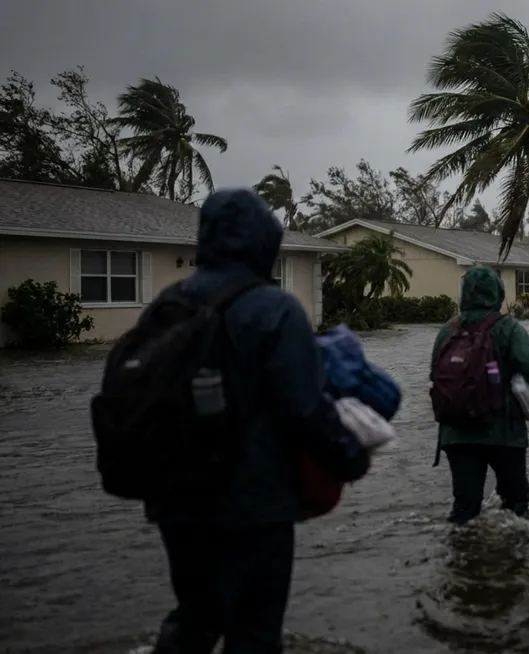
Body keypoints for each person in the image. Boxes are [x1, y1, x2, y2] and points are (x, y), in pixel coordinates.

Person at [149, 189, 371, 654]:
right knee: (254, 630)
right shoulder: (275, 309)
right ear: (265, 242)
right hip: (253, 502)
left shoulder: (166, 305)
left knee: (196, 617)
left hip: (176, 499)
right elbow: (305, 408)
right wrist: (352, 456)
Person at [431, 266, 529, 525]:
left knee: (464, 509)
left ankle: (461, 548)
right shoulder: (507, 328)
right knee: (516, 505)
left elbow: (435, 376)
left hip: (456, 433)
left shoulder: (447, 331)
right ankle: (514, 549)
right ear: (498, 293)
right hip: (503, 432)